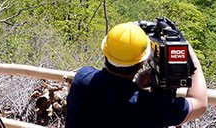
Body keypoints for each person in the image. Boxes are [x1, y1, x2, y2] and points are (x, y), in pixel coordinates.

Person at [65, 21, 208, 128]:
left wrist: (136, 86)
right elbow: (200, 104)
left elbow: (110, 103)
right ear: (142, 62)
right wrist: (187, 51)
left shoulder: (82, 78)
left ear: (105, 53)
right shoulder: (150, 106)